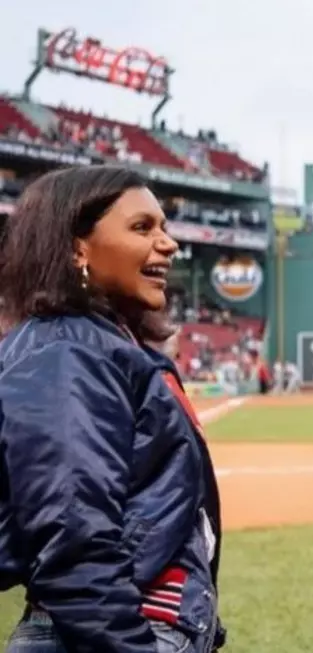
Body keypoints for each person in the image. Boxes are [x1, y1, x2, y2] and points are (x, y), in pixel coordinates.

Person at [0, 166, 224, 653]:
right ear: (76, 247)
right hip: (113, 633)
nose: (168, 244)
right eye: (142, 227)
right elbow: (72, 534)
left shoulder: (101, 345)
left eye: (163, 227)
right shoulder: (65, 351)